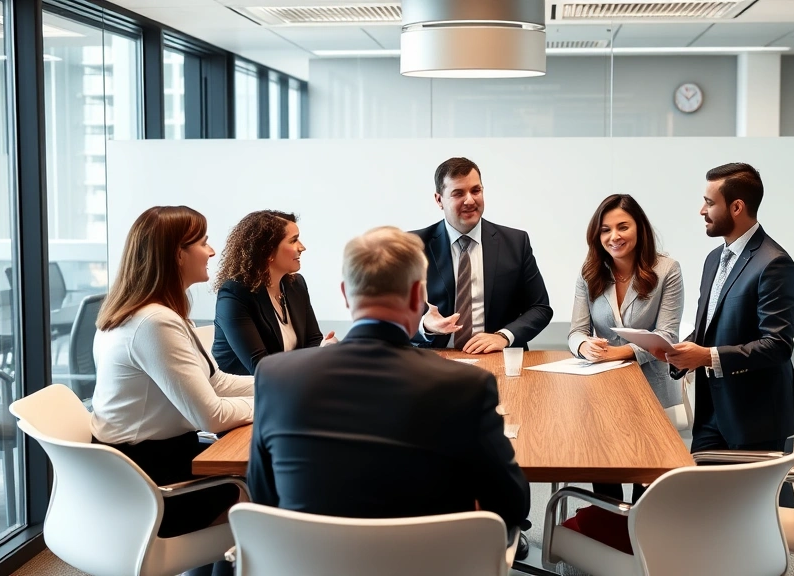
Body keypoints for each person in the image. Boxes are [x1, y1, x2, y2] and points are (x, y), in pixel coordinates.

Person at [247, 226, 531, 552]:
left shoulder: (276, 376)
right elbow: (511, 504)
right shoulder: (465, 385)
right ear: (416, 296)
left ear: (345, 293)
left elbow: (264, 496)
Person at [92, 206, 253, 576]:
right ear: (177, 253)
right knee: (263, 493)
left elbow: (215, 383)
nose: (212, 251)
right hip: (152, 482)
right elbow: (210, 415)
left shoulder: (149, 313)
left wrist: (284, 383)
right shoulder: (154, 322)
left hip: (136, 470)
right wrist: (279, 402)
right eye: (204, 242)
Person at [667, 163, 794, 454]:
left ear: (737, 207)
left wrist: (706, 356)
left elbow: (777, 346)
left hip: (755, 419)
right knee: (700, 495)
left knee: (745, 500)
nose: (701, 211)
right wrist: (677, 352)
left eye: (709, 203)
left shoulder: (774, 263)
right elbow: (711, 329)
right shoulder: (714, 259)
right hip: (711, 413)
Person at [568, 193, 683, 503]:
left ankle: (639, 538)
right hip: (601, 389)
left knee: (645, 477)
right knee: (604, 470)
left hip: (650, 389)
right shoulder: (590, 271)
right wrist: (584, 346)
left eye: (622, 227)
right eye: (605, 229)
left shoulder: (667, 270)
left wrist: (619, 353)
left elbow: (667, 334)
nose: (614, 236)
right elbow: (576, 331)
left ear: (639, 228)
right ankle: (609, 532)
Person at [411, 157, 552, 353]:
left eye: (475, 190)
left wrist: (503, 336)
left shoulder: (515, 242)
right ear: (439, 200)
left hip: (498, 357)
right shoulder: (413, 246)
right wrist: (425, 325)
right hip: (435, 359)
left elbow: (540, 308)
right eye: (458, 193)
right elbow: (389, 316)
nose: (470, 200)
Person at [212, 210, 335, 375]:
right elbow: (260, 366)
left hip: (287, 383)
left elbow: (313, 340)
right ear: (268, 251)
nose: (302, 247)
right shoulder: (234, 293)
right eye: (293, 240)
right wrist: (319, 356)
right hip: (248, 389)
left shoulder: (296, 285)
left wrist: (325, 348)